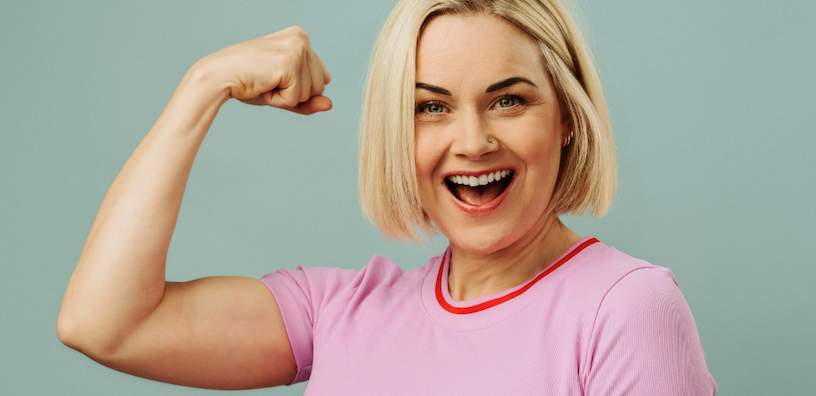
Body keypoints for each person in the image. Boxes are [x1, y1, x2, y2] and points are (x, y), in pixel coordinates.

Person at [58, 0, 717, 394]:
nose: (473, 140)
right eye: (431, 108)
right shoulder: (339, 314)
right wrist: (203, 87)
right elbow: (104, 323)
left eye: (508, 99)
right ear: (398, 136)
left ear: (567, 117)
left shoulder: (625, 309)